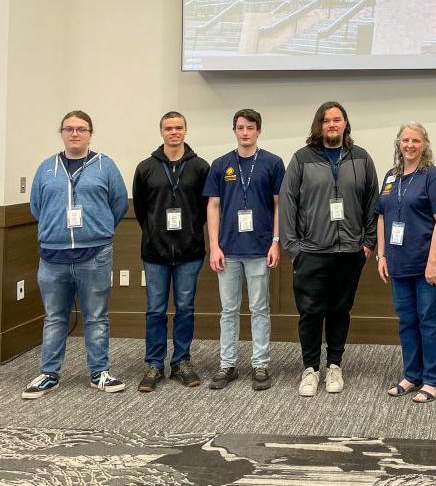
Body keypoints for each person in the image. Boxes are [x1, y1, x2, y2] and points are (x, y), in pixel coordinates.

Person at [23, 110, 128, 399]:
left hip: (94, 255)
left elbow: (118, 204)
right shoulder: (46, 169)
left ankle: (100, 372)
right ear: (61, 133)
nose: (74, 134)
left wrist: (98, 230)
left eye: (81, 129)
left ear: (90, 133)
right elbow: (36, 207)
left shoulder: (105, 166)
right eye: (69, 129)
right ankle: (48, 374)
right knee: (55, 317)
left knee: (96, 317)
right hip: (52, 257)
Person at [279, 101, 379, 397]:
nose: (332, 124)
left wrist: (368, 242)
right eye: (326, 120)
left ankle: (334, 365)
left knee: (340, 311)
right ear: (319, 126)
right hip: (311, 251)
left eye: (337, 119)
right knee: (310, 313)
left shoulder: (360, 158)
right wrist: (294, 248)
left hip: (350, 252)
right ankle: (310, 369)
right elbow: (287, 203)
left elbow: (372, 202)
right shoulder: (301, 158)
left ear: (346, 124)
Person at [204, 109, 285, 391]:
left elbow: (279, 205)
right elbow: (212, 206)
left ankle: (260, 364)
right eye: (240, 127)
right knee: (228, 310)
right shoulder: (220, 164)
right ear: (234, 130)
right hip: (227, 249)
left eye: (251, 127)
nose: (245, 132)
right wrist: (214, 246)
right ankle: (227, 364)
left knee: (260, 308)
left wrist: (276, 241)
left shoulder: (273, 163)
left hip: (260, 248)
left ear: (259, 131)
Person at [376, 122, 436, 404]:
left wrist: (433, 262)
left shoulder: (433, 177)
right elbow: (382, 217)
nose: (410, 145)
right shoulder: (390, 177)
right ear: (398, 144)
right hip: (398, 263)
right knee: (407, 321)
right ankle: (412, 375)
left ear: (425, 144)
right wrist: (381, 255)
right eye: (405, 140)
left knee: (430, 323)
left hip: (429, 266)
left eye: (416, 140)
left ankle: (433, 380)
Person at [132, 111, 210, 392]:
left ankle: (181, 362)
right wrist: (155, 231)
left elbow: (204, 210)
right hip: (155, 253)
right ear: (161, 132)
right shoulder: (145, 168)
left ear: (186, 131)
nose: (174, 132)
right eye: (168, 128)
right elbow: (141, 210)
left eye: (178, 127)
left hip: (190, 252)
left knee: (185, 309)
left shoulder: (200, 167)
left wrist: (188, 231)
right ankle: (154, 363)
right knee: (154, 310)